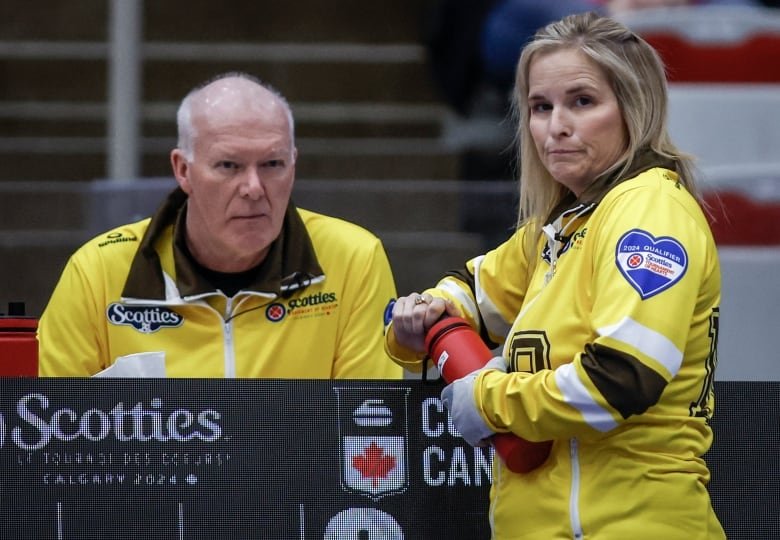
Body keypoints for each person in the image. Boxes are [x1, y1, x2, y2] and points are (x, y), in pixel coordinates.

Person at [387, 12, 723, 539]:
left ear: (634, 107)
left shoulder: (647, 209)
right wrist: (419, 320)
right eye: (540, 107)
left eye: (582, 102)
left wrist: (489, 399)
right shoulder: (561, 224)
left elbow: (621, 379)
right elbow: (472, 288)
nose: (556, 125)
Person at [38, 72, 402, 380]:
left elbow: (369, 431)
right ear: (183, 170)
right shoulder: (97, 273)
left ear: (294, 163)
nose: (254, 188)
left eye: (273, 164)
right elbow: (48, 438)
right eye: (229, 166)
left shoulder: (354, 259)